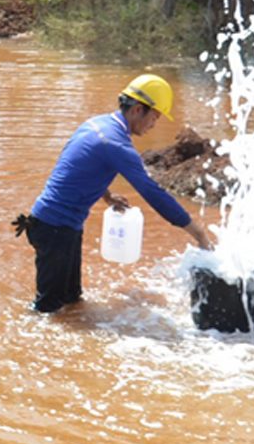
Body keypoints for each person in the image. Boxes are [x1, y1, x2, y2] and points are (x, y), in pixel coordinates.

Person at [16, 74, 214, 313]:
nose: (154, 124)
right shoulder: (117, 145)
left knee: (71, 302)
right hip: (56, 230)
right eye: (155, 117)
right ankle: (20, 344)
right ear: (138, 110)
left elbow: (79, 167)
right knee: (46, 312)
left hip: (54, 225)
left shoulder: (96, 124)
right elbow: (154, 194)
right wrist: (197, 232)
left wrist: (107, 196)